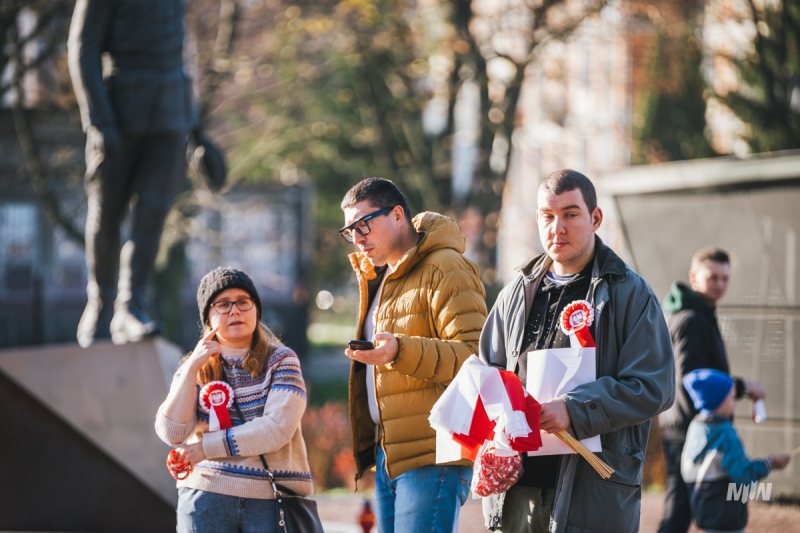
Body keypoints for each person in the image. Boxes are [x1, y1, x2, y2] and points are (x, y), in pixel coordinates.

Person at [478, 169, 674, 532]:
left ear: (595, 218)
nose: (558, 228)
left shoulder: (630, 294)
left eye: (570, 214)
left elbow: (653, 388)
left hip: (592, 495)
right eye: (547, 216)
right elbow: (490, 375)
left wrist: (573, 409)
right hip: (514, 493)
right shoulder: (514, 294)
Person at [339, 177, 488, 533]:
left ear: (397, 215)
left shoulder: (446, 267)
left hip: (433, 455)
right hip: (389, 453)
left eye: (363, 224)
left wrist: (401, 351)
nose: (357, 237)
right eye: (349, 230)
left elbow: (475, 358)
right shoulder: (384, 278)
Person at [68, 0, 197, 346]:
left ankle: (132, 305)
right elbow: (83, 51)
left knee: (153, 214)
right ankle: (100, 303)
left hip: (170, 111)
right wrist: (99, 120)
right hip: (120, 107)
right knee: (107, 211)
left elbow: (181, 58)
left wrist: (195, 127)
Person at [155, 267, 312, 532]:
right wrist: (192, 368)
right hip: (205, 497)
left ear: (256, 310)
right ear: (209, 315)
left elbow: (276, 429)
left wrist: (205, 448)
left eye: (243, 301)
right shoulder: (193, 367)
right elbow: (172, 431)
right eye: (223, 304)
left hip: (269, 499)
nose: (235, 311)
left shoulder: (282, 360)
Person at [658, 247, 766, 533]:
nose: (720, 284)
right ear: (693, 277)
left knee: (691, 510)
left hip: (687, 427)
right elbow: (693, 378)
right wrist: (743, 387)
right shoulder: (692, 318)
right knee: (680, 512)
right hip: (689, 430)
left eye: (725, 278)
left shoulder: (699, 313)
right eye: (713, 277)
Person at [681, 368, 790, 533]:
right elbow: (743, 476)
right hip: (727, 518)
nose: (735, 403)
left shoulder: (695, 428)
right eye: (732, 398)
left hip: (705, 514)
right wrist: (770, 463)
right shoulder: (725, 432)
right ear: (718, 401)